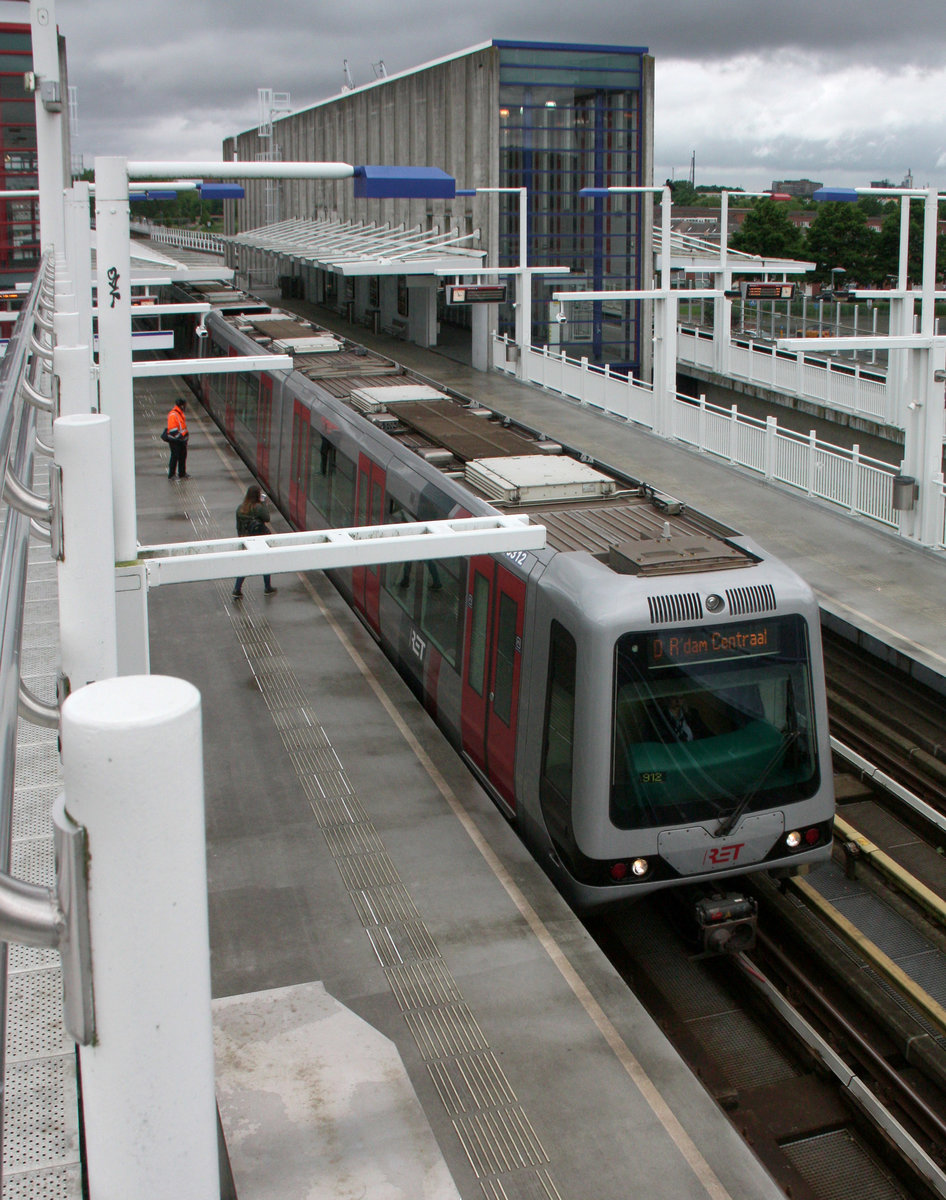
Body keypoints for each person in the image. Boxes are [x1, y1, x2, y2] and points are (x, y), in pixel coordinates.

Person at [232, 484, 277, 599]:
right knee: (265, 562)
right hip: (259, 539)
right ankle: (267, 587)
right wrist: (263, 503)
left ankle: (237, 588)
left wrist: (241, 538)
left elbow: (238, 526)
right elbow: (267, 518)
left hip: (246, 539)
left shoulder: (240, 508)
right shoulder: (258, 508)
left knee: (246, 564)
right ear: (257, 496)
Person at [166, 397, 189, 479]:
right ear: (181, 406)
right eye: (184, 405)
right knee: (174, 457)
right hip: (175, 440)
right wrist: (180, 438)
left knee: (182, 456)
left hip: (181, 440)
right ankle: (171, 474)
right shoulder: (173, 415)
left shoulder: (180, 414)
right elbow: (172, 430)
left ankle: (182, 473)